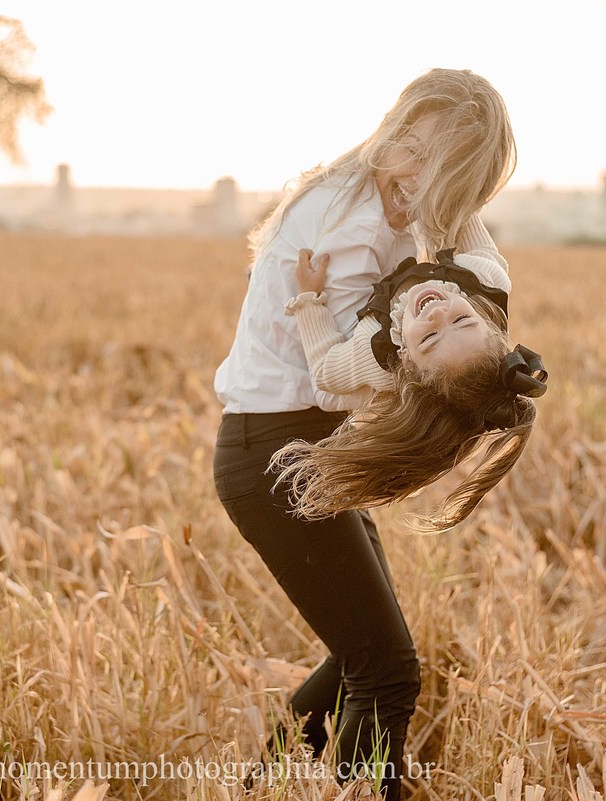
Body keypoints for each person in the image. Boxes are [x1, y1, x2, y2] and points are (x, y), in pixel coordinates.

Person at [212, 68, 518, 801]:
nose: (402, 161)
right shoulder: (351, 228)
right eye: (407, 139)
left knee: (362, 653)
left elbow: (456, 269)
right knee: (386, 665)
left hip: (297, 444)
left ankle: (261, 786)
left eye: (428, 157)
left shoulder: (362, 193)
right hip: (274, 454)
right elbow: (336, 373)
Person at [272, 246, 545, 529]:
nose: (438, 314)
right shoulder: (486, 279)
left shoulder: (374, 353)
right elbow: (463, 215)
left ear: (407, 361)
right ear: (487, 318)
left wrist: (307, 298)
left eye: (429, 338)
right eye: (462, 320)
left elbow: (324, 371)